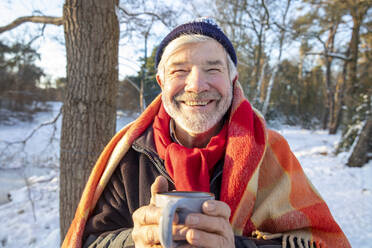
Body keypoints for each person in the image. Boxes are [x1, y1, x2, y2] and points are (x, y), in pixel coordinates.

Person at [62, 17, 351, 248]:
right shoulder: (129, 153)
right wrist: (133, 240)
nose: (196, 86)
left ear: (233, 79)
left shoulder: (269, 150)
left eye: (213, 69)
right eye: (179, 71)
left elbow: (322, 242)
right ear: (161, 81)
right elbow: (89, 241)